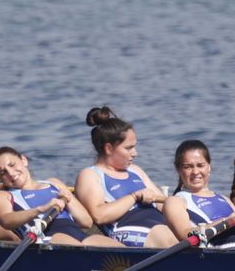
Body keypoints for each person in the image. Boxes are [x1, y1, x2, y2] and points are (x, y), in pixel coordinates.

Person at [73, 106, 179, 249]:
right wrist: (134, 196)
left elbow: (162, 203)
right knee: (165, 236)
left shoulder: (135, 170)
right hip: (125, 226)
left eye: (134, 147)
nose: (135, 153)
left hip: (158, 223)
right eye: (128, 148)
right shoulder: (90, 175)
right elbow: (99, 215)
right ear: (109, 148)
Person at [0, 146, 120, 247]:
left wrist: (69, 200)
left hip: (81, 236)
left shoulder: (54, 183)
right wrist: (41, 209)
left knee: (117, 249)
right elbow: (6, 220)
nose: (10, 173)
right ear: (1, 178)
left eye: (12, 165)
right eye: (3, 173)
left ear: (24, 160)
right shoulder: (4, 195)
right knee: (73, 244)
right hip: (47, 239)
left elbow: (87, 222)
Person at [164, 140, 235, 248]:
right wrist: (226, 221)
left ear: (209, 167)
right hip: (216, 245)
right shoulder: (176, 201)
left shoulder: (224, 199)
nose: (195, 172)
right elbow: (185, 235)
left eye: (200, 165)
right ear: (178, 170)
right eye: (188, 167)